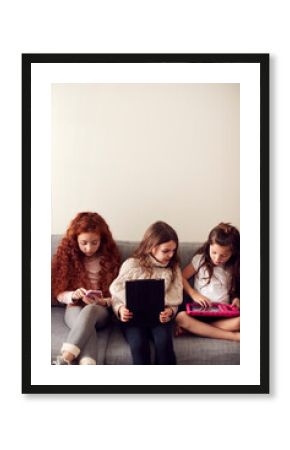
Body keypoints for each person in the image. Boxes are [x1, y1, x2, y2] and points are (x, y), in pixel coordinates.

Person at [52, 212, 121, 364]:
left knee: (90, 310)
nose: (89, 248)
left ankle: (65, 359)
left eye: (94, 243)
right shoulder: (68, 257)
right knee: (86, 327)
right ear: (75, 240)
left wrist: (103, 301)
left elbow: (119, 294)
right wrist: (74, 295)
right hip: (75, 307)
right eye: (83, 243)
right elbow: (59, 292)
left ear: (102, 240)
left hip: (100, 310)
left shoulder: (110, 258)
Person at [110, 221, 183, 364]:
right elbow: (116, 293)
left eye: (173, 250)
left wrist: (170, 311)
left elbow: (176, 296)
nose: (170, 255)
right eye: (166, 251)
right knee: (139, 345)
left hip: (160, 318)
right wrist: (120, 310)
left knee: (163, 343)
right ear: (151, 247)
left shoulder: (173, 268)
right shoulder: (132, 265)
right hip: (134, 318)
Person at [175, 223, 240, 341]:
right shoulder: (200, 260)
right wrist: (194, 294)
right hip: (200, 312)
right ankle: (232, 336)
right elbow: (180, 277)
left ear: (233, 253)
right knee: (180, 317)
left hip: (222, 314)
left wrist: (236, 299)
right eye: (214, 252)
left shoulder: (233, 267)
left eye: (224, 255)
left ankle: (196, 329)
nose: (217, 258)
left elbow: (234, 290)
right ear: (209, 245)